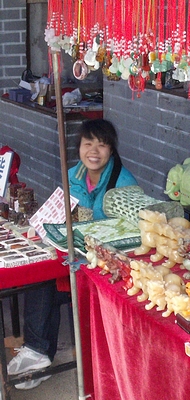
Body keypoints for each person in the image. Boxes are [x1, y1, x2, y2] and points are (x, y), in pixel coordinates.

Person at [7, 118, 138, 389]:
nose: (94, 151)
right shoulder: (74, 174)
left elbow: (123, 236)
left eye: (102, 146)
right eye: (88, 144)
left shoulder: (123, 185)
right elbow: (59, 212)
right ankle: (37, 351)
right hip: (75, 253)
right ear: (78, 147)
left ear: (111, 151)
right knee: (40, 274)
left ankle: (38, 350)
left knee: (48, 282)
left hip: (106, 263)